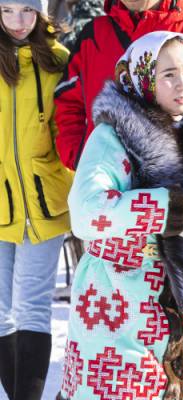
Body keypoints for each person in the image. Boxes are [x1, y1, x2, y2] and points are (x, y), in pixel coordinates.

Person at [58, 31, 183, 400]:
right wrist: (173, 209)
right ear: (141, 76)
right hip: (117, 308)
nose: (182, 84)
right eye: (168, 74)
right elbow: (87, 210)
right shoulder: (114, 136)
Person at [53, 0, 183, 171]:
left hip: (174, 192)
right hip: (104, 186)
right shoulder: (93, 35)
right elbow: (68, 102)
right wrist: (81, 156)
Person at [0, 1, 71, 398]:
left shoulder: (59, 60)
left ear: (41, 12)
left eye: (27, 10)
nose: (17, 22)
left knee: (31, 307)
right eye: (6, 10)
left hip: (45, 201)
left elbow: (72, 127)